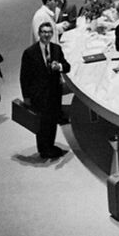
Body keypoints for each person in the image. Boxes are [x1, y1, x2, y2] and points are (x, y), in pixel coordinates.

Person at [20, 22, 71, 159]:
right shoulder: (30, 53)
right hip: (39, 95)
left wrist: (59, 66)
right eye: (43, 32)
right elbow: (24, 77)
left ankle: (50, 145)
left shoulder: (56, 49)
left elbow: (67, 66)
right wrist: (26, 97)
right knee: (42, 123)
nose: (46, 34)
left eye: (49, 32)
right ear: (39, 33)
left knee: (52, 120)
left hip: (54, 93)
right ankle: (43, 149)